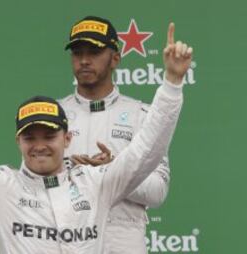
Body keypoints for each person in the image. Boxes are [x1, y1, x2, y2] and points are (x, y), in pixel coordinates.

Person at [0, 21, 189, 253]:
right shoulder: (1, 186)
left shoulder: (98, 182)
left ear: (66, 139)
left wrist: (173, 84)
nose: (39, 145)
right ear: (18, 142)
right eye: (29, 137)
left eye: (48, 136)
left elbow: (148, 150)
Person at [59, 16, 192, 253]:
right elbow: (33, 187)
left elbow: (158, 192)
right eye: (77, 53)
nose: (84, 60)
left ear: (115, 59)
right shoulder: (53, 116)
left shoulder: (141, 116)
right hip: (65, 239)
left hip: (122, 241)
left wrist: (114, 169)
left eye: (94, 52)